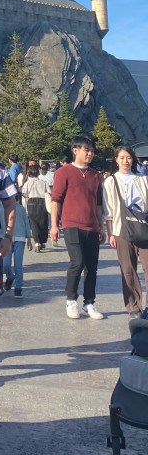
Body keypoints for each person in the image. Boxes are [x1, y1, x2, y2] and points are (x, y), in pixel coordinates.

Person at [50, 136, 107, 320]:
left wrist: (101, 227)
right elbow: (56, 200)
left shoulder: (95, 175)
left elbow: (98, 204)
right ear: (75, 150)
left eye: (92, 151)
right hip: (71, 224)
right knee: (77, 261)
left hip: (92, 226)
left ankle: (89, 303)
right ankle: (71, 300)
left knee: (92, 267)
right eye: (86, 150)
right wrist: (54, 225)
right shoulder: (63, 172)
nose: (90, 153)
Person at [103, 145, 148, 317]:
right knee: (128, 269)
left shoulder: (143, 179)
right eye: (121, 158)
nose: (125, 161)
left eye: (128, 157)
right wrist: (111, 233)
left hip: (143, 228)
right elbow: (107, 210)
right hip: (121, 228)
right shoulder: (111, 181)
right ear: (116, 160)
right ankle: (133, 306)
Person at [3, 198, 32, 297]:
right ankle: (10, 277)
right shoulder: (2, 208)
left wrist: (29, 238)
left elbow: (26, 222)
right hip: (7, 239)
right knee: (5, 264)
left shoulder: (21, 208)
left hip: (20, 238)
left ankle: (18, 288)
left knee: (18, 265)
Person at [22, 164, 49, 252]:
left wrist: (24, 206)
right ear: (38, 172)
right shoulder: (43, 182)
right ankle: (42, 241)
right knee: (43, 222)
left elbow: (24, 194)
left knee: (33, 223)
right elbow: (49, 192)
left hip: (31, 202)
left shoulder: (27, 183)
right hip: (42, 201)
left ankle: (37, 242)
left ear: (29, 173)